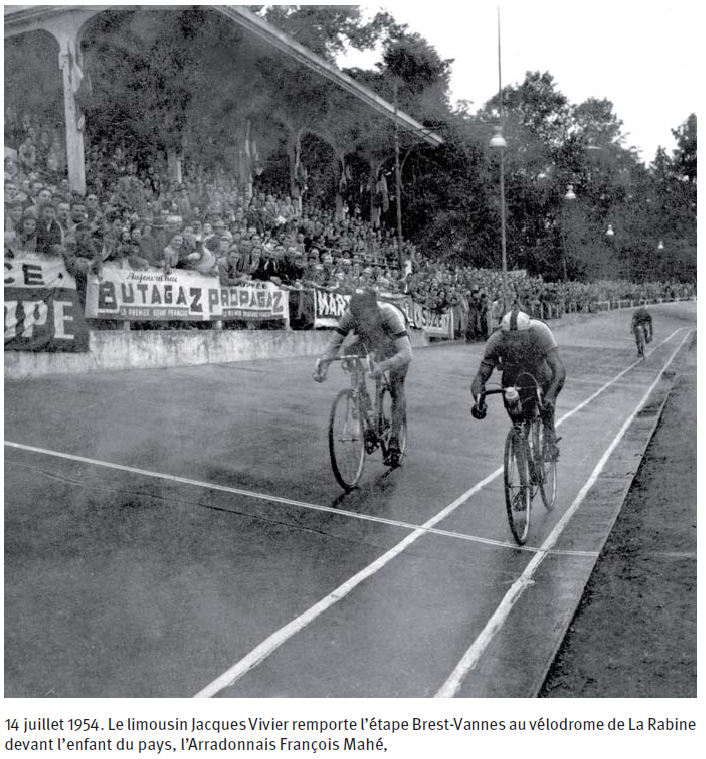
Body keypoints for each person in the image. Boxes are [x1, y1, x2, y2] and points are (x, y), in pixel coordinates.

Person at [313, 289, 412, 467]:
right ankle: (364, 403)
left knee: (397, 385)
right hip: (372, 338)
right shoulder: (351, 315)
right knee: (350, 352)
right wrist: (323, 366)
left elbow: (406, 353)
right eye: (360, 320)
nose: (363, 322)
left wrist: (383, 365)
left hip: (394, 342)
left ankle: (395, 440)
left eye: (366, 318)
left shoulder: (388, 314)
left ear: (375, 310)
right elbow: (334, 343)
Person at [470, 308, 566, 460]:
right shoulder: (496, 340)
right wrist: (479, 400)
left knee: (547, 401)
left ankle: (549, 434)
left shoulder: (540, 332)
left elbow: (559, 370)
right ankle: (523, 451)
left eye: (520, 338)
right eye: (510, 338)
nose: (515, 343)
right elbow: (481, 376)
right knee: (518, 422)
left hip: (539, 371)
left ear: (528, 333)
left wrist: (550, 396)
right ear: (503, 335)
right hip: (512, 375)